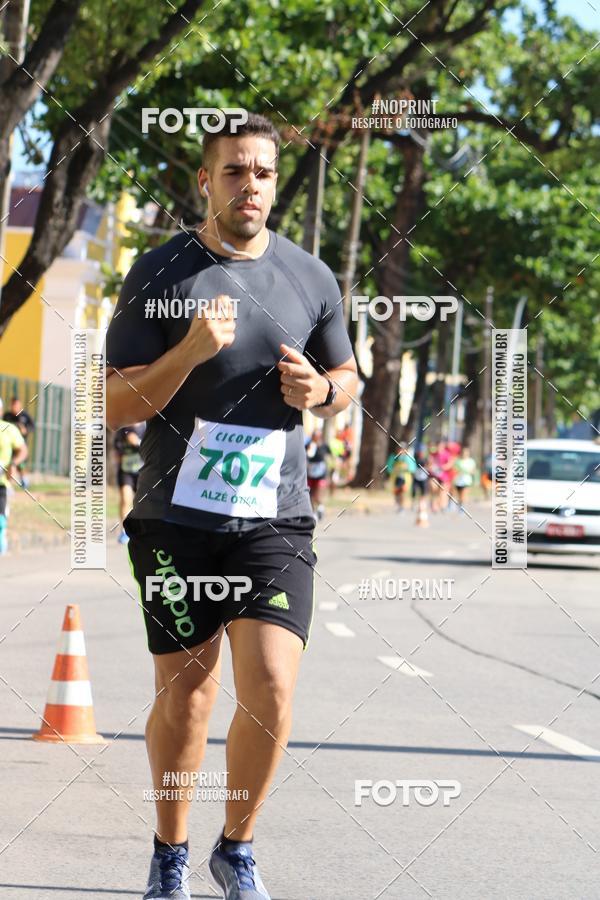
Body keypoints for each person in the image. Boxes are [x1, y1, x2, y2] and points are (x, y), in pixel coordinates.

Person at [105, 112, 358, 900]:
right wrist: (187, 351)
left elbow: (347, 381)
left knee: (274, 684)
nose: (250, 185)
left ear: (275, 185)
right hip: (174, 519)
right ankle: (170, 853)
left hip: (275, 518)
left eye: (263, 173)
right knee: (187, 691)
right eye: (234, 172)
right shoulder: (161, 273)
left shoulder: (311, 277)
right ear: (206, 181)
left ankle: (237, 845)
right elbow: (110, 405)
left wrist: (321, 392)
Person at [0, 400, 28, 554]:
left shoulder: (8, 429)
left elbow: (23, 450)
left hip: (2, 483)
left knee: (0, 522)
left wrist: (13, 463)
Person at [114, 422, 146, 544]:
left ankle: (140, 530)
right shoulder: (123, 428)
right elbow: (117, 447)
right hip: (126, 470)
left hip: (142, 471)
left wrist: (137, 442)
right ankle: (124, 531)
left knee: (140, 503)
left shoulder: (146, 427)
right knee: (125, 499)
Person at [3, 396, 34, 487]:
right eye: (12, 404)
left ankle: (24, 480)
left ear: (19, 405)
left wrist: (26, 430)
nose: (14, 407)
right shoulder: (7, 416)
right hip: (9, 445)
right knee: (9, 463)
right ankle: (8, 483)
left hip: (20, 445)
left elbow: (32, 426)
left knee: (21, 464)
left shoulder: (24, 416)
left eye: (16, 404)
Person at [305, 429, 330, 520]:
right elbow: (307, 456)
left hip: (321, 474)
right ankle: (313, 512)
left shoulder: (324, 446)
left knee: (317, 495)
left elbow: (329, 456)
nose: (316, 437)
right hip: (310, 474)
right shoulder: (308, 445)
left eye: (317, 436)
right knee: (310, 495)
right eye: (314, 435)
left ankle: (320, 507)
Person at [388, 445, 414, 512]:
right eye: (400, 449)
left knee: (403, 492)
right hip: (396, 478)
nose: (401, 451)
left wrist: (407, 468)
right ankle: (398, 504)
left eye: (403, 449)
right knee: (397, 492)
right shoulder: (393, 457)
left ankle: (402, 507)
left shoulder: (409, 458)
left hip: (405, 478)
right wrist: (394, 469)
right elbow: (389, 468)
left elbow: (413, 468)